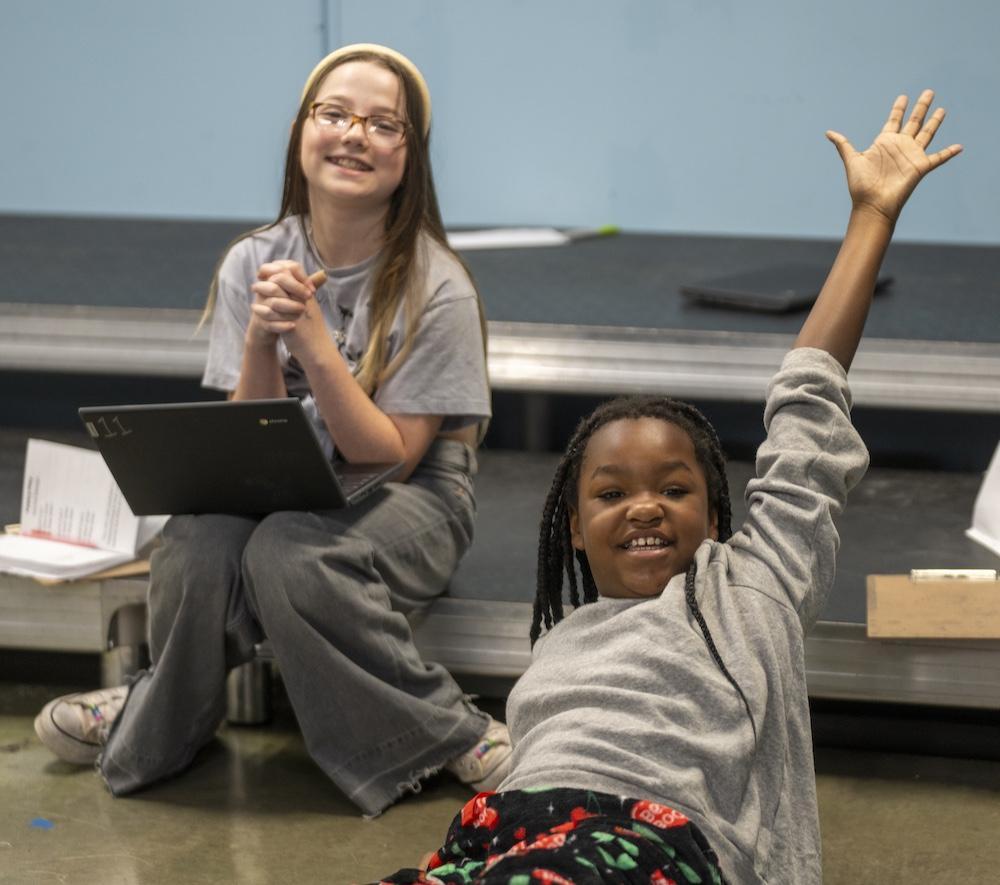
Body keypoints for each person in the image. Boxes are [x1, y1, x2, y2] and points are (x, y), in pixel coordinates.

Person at [369, 90, 961, 883]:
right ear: (573, 527)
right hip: (511, 835)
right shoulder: (559, 641)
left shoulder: (751, 591)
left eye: (673, 489)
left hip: (647, 842)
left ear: (717, 515)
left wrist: (871, 219)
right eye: (610, 493)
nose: (644, 504)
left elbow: (808, 404)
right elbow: (528, 775)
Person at [33, 43, 511, 817]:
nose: (355, 134)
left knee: (290, 551)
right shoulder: (252, 260)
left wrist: (316, 346)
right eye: (334, 114)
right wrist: (260, 341)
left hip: (413, 493)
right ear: (301, 133)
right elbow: (247, 437)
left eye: (382, 124)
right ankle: (160, 722)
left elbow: (387, 457)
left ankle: (447, 727)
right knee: (198, 541)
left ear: (408, 158)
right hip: (286, 475)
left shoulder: (437, 284)